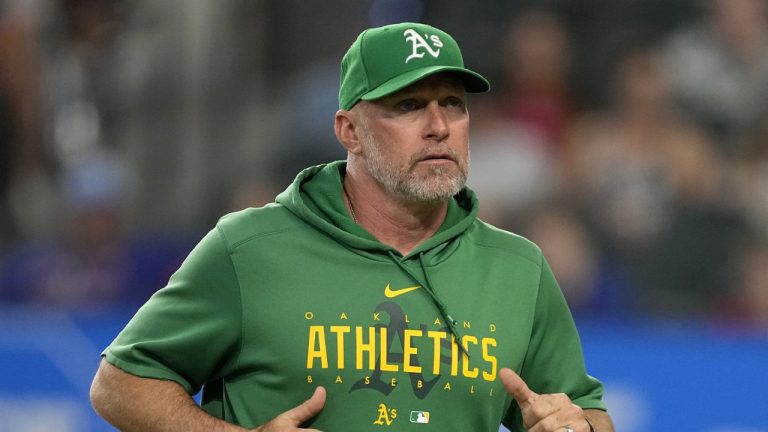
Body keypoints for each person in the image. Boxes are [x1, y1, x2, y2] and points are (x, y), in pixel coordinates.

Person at [89, 22, 614, 432]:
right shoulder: (249, 248)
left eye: (452, 103)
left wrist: (575, 427)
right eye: (408, 105)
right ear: (349, 131)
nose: (438, 126)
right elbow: (120, 384)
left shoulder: (518, 267)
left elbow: (586, 412)